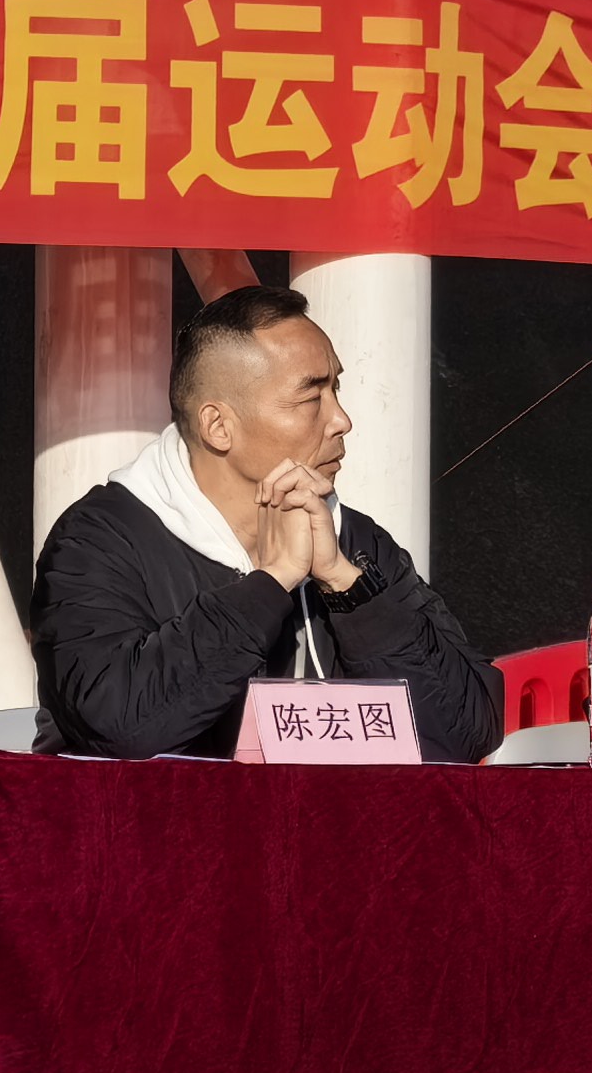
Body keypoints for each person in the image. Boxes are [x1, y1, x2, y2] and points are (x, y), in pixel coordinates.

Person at [32, 283, 502, 761]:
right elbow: (117, 727)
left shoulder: (354, 543)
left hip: (323, 812)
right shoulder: (97, 541)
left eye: (336, 389)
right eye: (310, 397)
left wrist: (346, 586)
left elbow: (469, 732)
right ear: (219, 427)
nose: (342, 420)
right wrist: (271, 583)